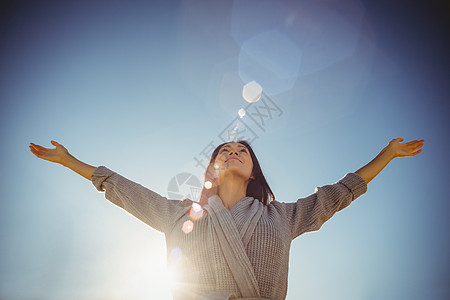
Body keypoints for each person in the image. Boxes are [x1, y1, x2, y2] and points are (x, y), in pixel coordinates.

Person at [29, 138, 424, 300]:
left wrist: (387, 154)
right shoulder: (180, 214)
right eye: (223, 152)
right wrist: (68, 161)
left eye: (242, 151)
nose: (232, 152)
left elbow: (338, 194)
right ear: (213, 170)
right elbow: (124, 189)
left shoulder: (283, 216)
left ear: (252, 170)